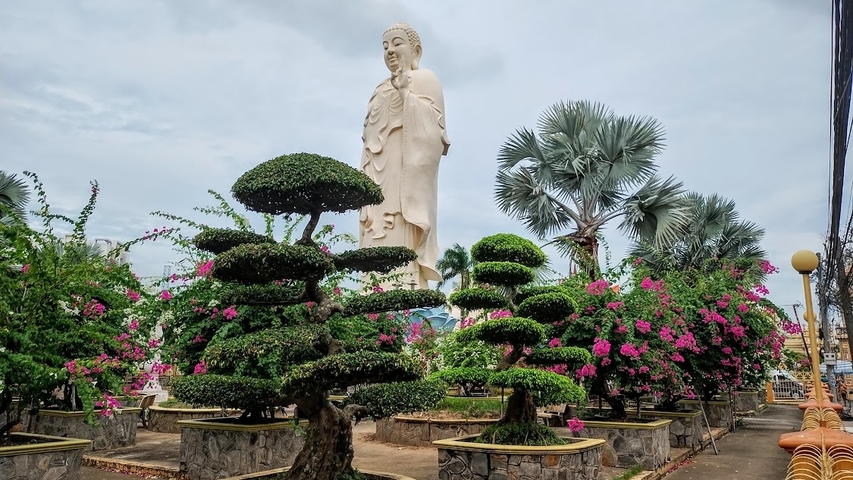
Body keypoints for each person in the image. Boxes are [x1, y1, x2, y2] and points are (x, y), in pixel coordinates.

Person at [359, 23, 450, 289]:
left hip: (405, 171)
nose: (390, 51)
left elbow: (437, 133)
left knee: (399, 219)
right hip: (377, 168)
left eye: (397, 43)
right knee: (375, 222)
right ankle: (371, 285)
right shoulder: (378, 89)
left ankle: (405, 285)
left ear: (415, 50)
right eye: (385, 46)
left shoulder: (425, 79)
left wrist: (405, 93)